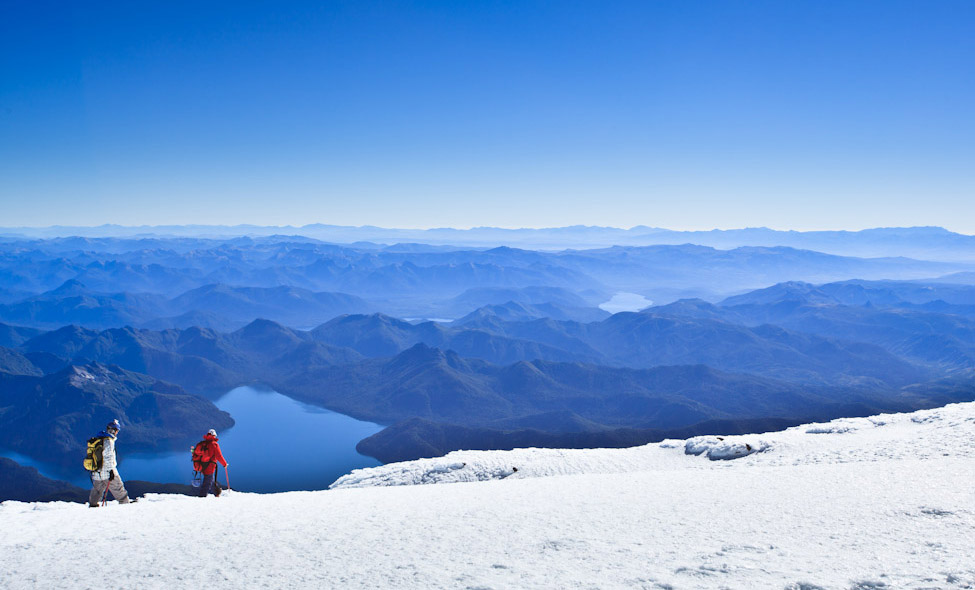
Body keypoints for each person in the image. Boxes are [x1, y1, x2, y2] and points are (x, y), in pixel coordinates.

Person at [88, 419, 131, 507]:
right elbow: (108, 458)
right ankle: (126, 505)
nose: (117, 433)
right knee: (118, 488)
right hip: (108, 472)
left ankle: (93, 506)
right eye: (117, 431)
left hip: (97, 472)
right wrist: (111, 471)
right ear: (114, 430)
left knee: (97, 490)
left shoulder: (99, 439)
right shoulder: (109, 441)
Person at [193, 428, 229, 497]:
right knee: (207, 483)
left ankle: (217, 494)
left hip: (202, 465)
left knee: (210, 480)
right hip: (210, 467)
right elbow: (219, 456)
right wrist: (224, 464)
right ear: (214, 436)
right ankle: (202, 497)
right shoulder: (214, 444)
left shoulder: (203, 444)